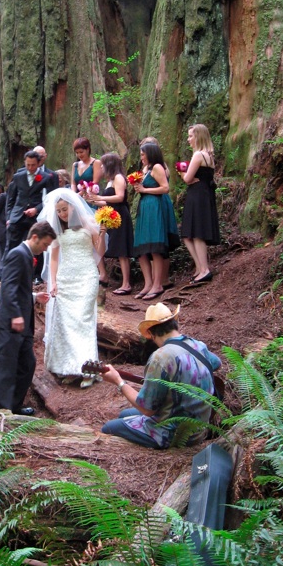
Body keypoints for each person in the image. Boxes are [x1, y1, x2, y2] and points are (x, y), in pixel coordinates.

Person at [101, 302, 221, 448]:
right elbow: (216, 363)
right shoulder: (198, 345)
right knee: (125, 414)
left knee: (109, 427)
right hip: (199, 429)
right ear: (174, 323)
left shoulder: (161, 357)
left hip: (172, 434)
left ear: (151, 333)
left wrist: (119, 382)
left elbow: (147, 409)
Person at [38, 189, 106, 385]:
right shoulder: (59, 231)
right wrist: (54, 282)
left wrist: (102, 232)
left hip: (86, 276)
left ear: (73, 207)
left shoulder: (88, 224)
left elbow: (99, 251)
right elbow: (54, 259)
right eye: (58, 211)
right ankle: (70, 367)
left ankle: (88, 370)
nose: (61, 214)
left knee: (84, 321)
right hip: (66, 278)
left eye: (64, 209)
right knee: (67, 323)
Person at [0, 221, 56, 415]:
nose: (45, 249)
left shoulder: (26, 255)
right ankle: (0, 411)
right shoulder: (17, 254)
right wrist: (16, 315)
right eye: (44, 244)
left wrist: (34, 297)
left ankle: (14, 406)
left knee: (27, 364)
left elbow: (19, 288)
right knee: (6, 366)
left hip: (23, 323)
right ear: (34, 237)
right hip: (10, 322)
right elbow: (8, 288)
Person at [132, 143, 180, 300]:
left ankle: (157, 284)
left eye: (143, 154)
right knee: (142, 249)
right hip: (144, 207)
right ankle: (148, 284)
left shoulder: (158, 167)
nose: (141, 157)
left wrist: (145, 190)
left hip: (154, 207)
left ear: (151, 154)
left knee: (155, 246)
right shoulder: (145, 170)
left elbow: (165, 188)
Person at [86, 152, 133, 294]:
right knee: (113, 247)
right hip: (110, 215)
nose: (101, 168)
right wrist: (91, 199)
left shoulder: (119, 178)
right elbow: (106, 201)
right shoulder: (110, 180)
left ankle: (126, 284)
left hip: (120, 215)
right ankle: (112, 279)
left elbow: (119, 197)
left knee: (122, 250)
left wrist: (99, 196)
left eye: (103, 165)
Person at [180, 124, 220, 284]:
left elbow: (187, 179)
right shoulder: (209, 155)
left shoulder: (198, 156)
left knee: (197, 233)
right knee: (189, 234)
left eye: (191, 136)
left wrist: (182, 172)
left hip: (198, 195)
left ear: (199, 137)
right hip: (204, 194)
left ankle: (204, 269)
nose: (189, 139)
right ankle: (199, 268)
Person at [5, 150, 56, 257]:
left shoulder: (47, 178)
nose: (30, 168)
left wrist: (36, 209)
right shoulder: (18, 176)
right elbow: (11, 199)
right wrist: (9, 217)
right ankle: (4, 272)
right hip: (17, 217)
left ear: (38, 163)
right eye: (28, 165)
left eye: (33, 165)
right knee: (10, 247)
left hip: (35, 218)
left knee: (35, 248)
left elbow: (51, 199)